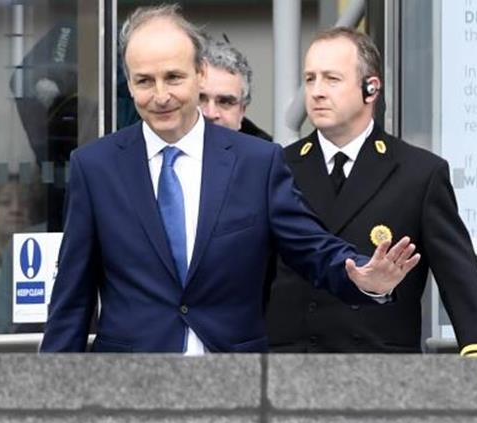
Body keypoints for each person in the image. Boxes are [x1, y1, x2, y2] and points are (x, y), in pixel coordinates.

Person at [40, 5, 419, 353]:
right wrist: (51, 393)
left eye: (173, 77)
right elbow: (72, 299)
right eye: (144, 81)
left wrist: (364, 276)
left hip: (235, 382)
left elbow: (312, 247)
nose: (160, 95)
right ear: (128, 81)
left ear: (201, 73)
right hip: (131, 384)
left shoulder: (257, 163)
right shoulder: (96, 167)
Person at [265, 28, 477, 357]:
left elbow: (458, 276)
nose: (316, 92)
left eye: (332, 79)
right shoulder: (278, 167)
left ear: (371, 88)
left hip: (380, 366)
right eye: (310, 79)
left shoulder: (419, 173)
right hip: (291, 364)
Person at [199, 36, 272, 141]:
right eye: (199, 98)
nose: (210, 114)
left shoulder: (263, 149)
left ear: (242, 112)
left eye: (225, 102)